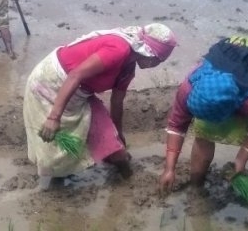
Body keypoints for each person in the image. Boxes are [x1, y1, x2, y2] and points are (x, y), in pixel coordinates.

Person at [25, 23, 178, 183]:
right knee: (55, 145)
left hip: (80, 92)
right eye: (158, 60)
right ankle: (58, 180)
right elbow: (75, 75)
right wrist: (53, 117)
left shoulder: (127, 69)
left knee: (113, 144)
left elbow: (117, 102)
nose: (157, 64)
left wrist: (118, 135)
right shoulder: (118, 49)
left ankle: (125, 180)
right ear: (150, 53)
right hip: (50, 83)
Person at [158, 36, 248, 218]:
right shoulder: (188, 88)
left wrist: (242, 158)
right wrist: (169, 169)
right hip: (231, 49)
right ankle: (196, 187)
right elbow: (176, 126)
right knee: (204, 131)